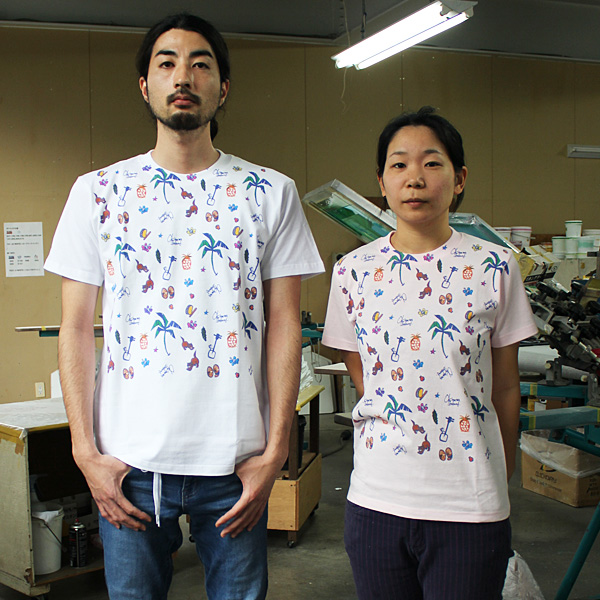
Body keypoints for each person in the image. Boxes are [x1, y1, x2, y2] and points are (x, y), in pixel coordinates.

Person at [44, 13, 324, 600]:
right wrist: (85, 452)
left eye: (201, 64)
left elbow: (284, 326)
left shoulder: (270, 192)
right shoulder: (98, 192)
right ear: (144, 85)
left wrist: (276, 450)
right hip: (129, 463)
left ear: (223, 87)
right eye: (166, 63)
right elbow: (75, 328)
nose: (183, 77)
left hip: (237, 463)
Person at [322, 106, 537, 600]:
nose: (414, 178)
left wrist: (498, 474)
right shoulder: (353, 271)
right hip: (376, 500)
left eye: (432, 163)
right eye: (399, 164)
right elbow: (364, 375)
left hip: (470, 504)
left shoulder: (494, 266)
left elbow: (506, 386)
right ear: (382, 182)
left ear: (459, 179)